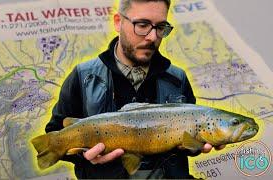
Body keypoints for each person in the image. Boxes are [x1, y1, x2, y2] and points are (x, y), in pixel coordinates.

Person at [45, 0, 224, 178]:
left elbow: (188, 145)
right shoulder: (82, 76)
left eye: (160, 27)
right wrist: (84, 155)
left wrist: (196, 146)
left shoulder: (178, 79)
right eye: (142, 24)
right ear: (118, 22)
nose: (152, 37)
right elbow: (56, 134)